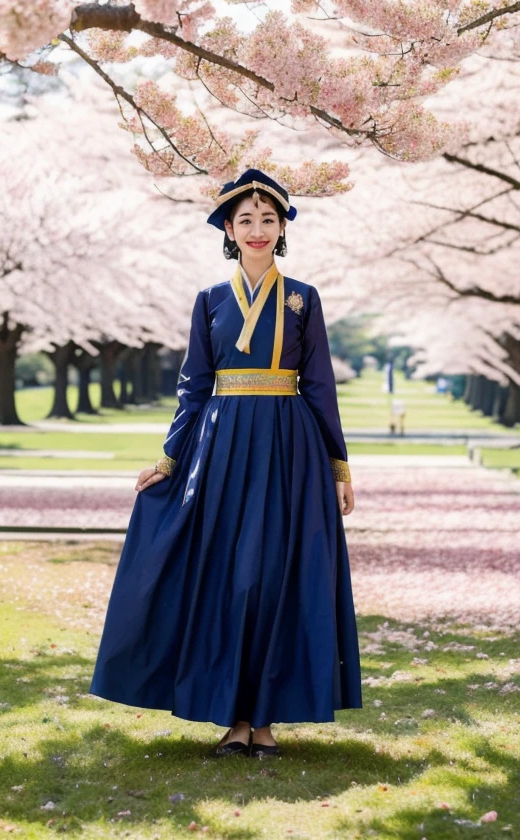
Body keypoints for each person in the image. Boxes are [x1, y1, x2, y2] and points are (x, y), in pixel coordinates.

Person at [88, 168, 362, 759]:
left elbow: (319, 387)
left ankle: (265, 723)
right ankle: (233, 718)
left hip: (290, 450)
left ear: (282, 227)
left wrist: (338, 466)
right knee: (227, 580)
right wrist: (168, 458)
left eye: (268, 219)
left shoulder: (303, 299)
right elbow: (193, 385)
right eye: (246, 220)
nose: (258, 229)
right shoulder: (209, 300)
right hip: (220, 449)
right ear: (229, 230)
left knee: (273, 580)